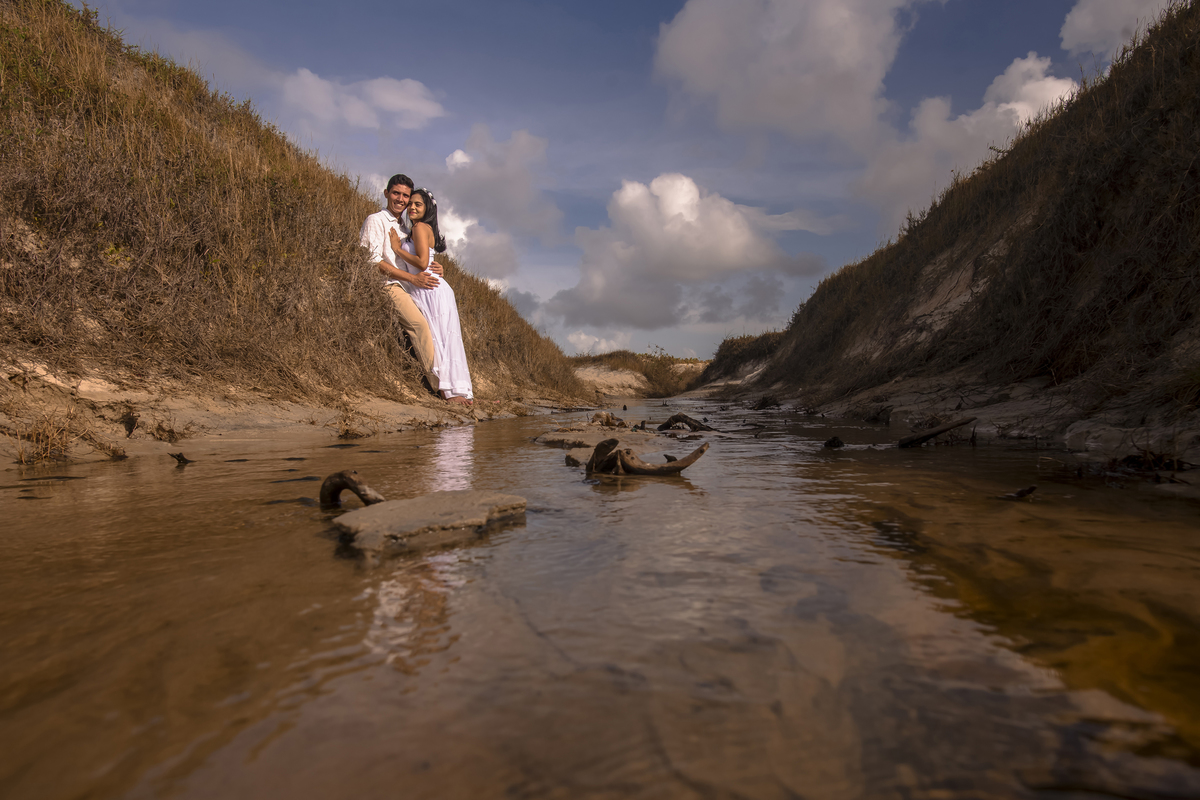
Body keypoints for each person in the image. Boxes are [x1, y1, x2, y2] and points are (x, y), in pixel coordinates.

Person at [388, 188, 474, 405]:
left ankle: (451, 392)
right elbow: (427, 260)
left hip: (430, 289)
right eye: (411, 203)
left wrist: (397, 249)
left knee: (440, 339)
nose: (412, 207)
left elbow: (422, 263)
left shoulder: (419, 227)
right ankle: (457, 391)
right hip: (430, 287)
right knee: (444, 339)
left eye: (418, 204)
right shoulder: (418, 229)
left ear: (427, 209)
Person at [359, 174, 442, 393]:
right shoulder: (376, 220)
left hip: (410, 287)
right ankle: (439, 387)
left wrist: (436, 267)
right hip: (388, 284)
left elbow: (418, 258)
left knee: (436, 326)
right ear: (386, 193)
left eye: (406, 195)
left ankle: (451, 383)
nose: (401, 199)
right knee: (419, 326)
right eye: (396, 193)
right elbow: (373, 261)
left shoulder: (406, 228)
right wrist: (412, 278)